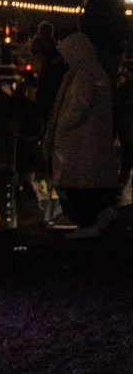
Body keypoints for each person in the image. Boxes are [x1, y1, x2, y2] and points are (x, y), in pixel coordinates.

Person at [42, 31, 119, 237]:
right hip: (86, 141)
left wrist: (63, 124)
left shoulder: (84, 74)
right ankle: (98, 215)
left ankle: (85, 222)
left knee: (77, 184)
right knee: (90, 183)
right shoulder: (95, 71)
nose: (65, 59)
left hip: (79, 142)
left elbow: (79, 106)